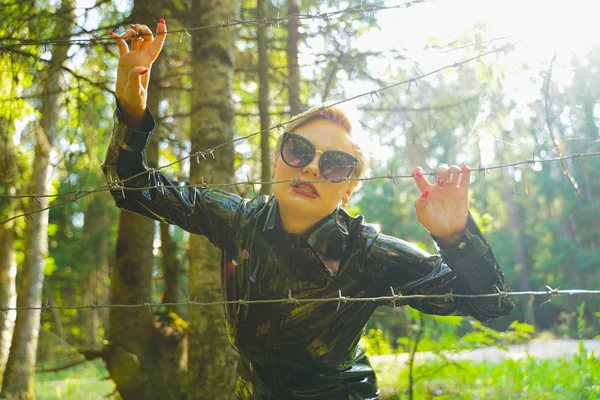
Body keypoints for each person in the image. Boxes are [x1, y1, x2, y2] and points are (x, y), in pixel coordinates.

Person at [104, 20, 514, 400]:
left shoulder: (369, 253)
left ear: (350, 187)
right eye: (299, 151)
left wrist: (455, 236)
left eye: (335, 164)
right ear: (278, 160)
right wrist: (131, 107)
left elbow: (491, 307)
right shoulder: (238, 220)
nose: (313, 167)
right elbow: (130, 186)